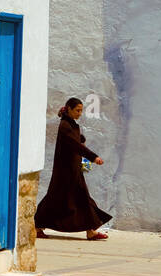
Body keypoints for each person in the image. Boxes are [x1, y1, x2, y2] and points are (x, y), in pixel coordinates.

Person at [35, 97, 112, 240]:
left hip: (73, 169)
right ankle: (38, 225)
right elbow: (76, 146)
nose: (79, 113)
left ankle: (90, 230)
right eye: (77, 110)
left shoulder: (71, 125)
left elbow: (76, 142)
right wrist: (93, 157)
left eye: (81, 110)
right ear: (69, 109)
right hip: (65, 171)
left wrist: (81, 141)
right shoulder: (65, 125)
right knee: (56, 198)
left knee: (80, 198)